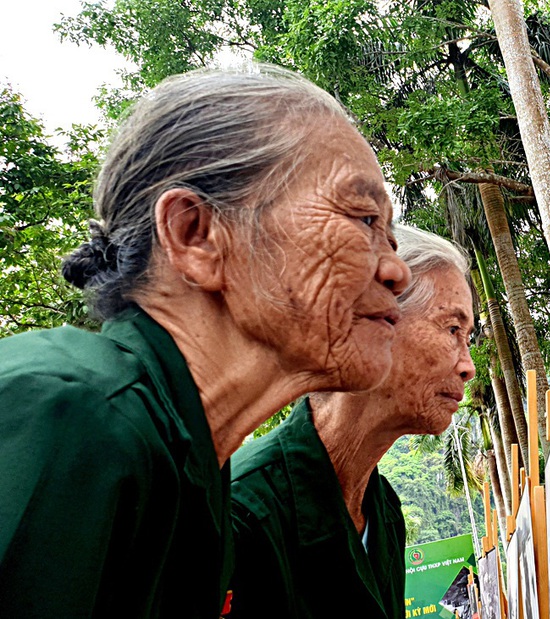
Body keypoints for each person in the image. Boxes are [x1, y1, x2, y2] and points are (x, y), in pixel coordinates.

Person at [0, 66, 411, 618]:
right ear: (196, 234)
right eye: (362, 217)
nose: (397, 272)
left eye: (388, 231)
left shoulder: (192, 470)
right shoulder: (69, 414)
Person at [228, 225, 477, 618]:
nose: (468, 367)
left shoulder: (384, 511)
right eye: (452, 329)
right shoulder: (240, 514)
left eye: (468, 338)